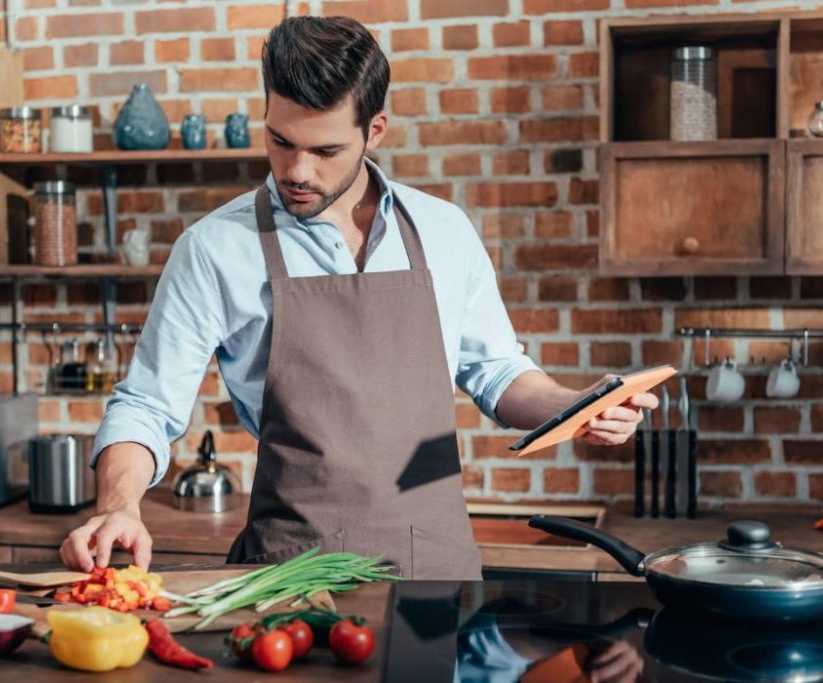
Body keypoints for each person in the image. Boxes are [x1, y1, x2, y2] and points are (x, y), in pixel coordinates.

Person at [60, 15, 658, 580]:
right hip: (289, 575)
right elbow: (146, 406)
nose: (296, 170)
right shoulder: (215, 248)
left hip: (435, 570)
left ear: (374, 131)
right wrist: (120, 505)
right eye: (279, 140)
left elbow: (497, 372)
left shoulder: (444, 231)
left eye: (324, 152)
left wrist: (575, 405)